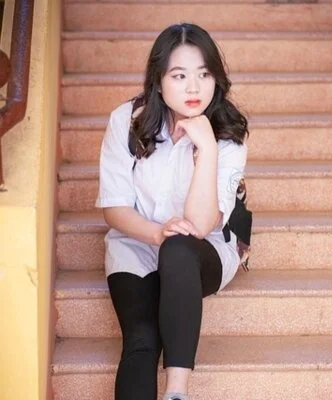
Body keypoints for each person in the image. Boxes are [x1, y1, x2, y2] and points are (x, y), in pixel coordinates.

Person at [95, 23, 249, 400]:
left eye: (204, 74)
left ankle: (177, 393)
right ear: (158, 81)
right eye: (179, 76)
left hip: (204, 251)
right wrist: (155, 233)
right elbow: (114, 208)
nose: (193, 88)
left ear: (216, 78)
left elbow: (200, 225)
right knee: (141, 338)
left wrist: (207, 148)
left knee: (179, 248)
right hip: (137, 244)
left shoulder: (228, 132)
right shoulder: (127, 120)